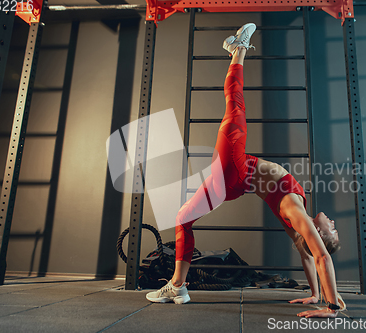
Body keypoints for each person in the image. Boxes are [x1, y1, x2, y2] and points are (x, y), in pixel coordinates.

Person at [146, 23, 345, 318]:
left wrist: (331, 306)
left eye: (333, 229)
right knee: (182, 219)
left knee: (235, 104)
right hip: (235, 183)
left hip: (236, 168)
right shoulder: (297, 226)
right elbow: (307, 255)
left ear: (318, 230)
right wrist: (315, 293)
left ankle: (238, 48)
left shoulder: (297, 212)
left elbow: (320, 255)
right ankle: (178, 285)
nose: (333, 223)